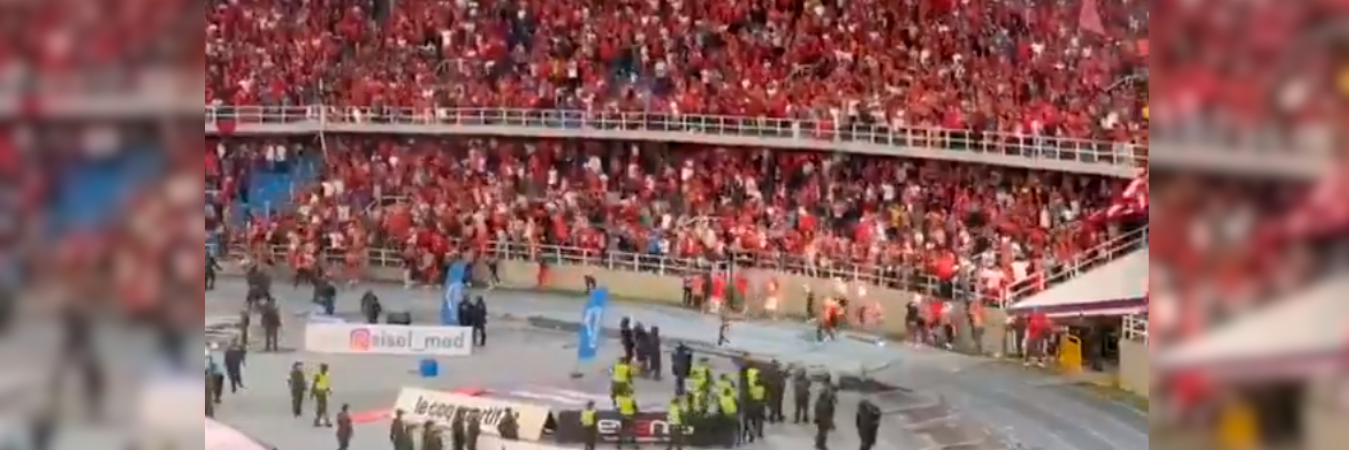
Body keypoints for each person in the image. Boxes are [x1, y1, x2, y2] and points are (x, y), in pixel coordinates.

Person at [814, 385, 837, 450]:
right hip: (824, 418)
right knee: (823, 432)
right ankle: (821, 444)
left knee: (822, 431)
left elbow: (830, 411)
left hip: (824, 418)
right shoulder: (824, 401)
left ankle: (819, 443)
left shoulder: (821, 401)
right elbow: (829, 412)